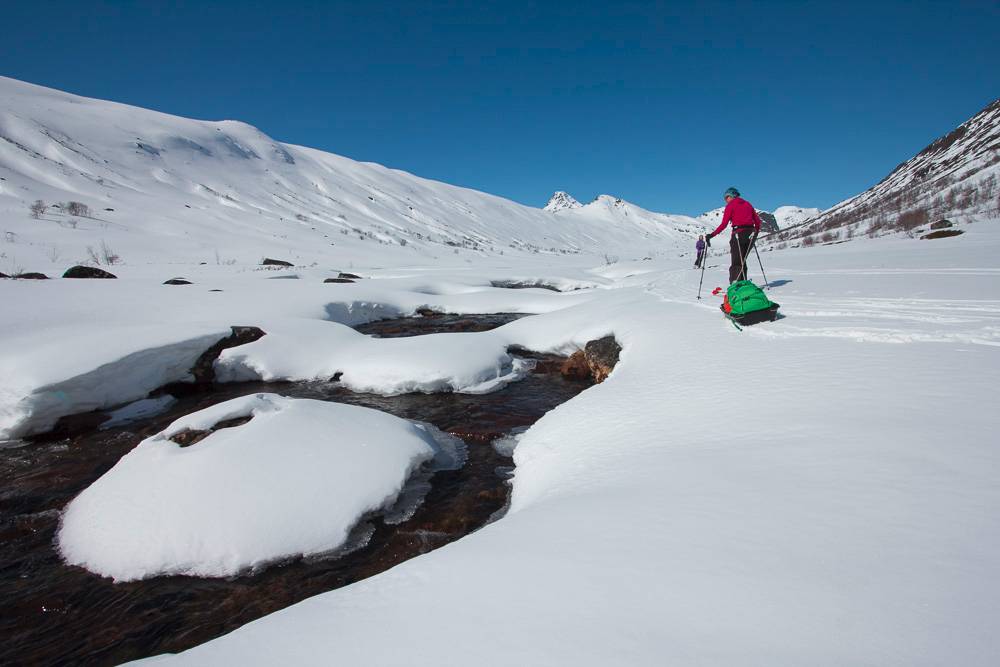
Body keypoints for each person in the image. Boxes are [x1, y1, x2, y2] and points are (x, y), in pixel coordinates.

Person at [706, 187, 761, 284]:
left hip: (738, 234)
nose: (726, 200)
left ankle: (735, 285)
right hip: (751, 234)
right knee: (742, 260)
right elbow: (758, 221)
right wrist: (754, 233)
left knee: (736, 261)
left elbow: (724, 224)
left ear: (731, 196)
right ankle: (743, 282)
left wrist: (711, 235)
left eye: (726, 197)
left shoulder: (730, 206)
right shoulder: (748, 204)